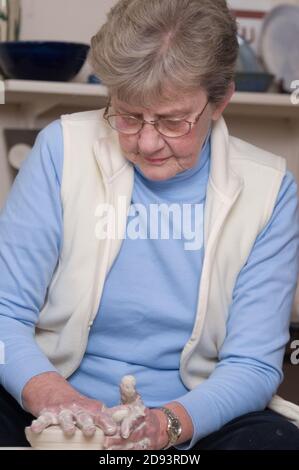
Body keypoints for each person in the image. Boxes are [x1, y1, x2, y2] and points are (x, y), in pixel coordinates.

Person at [0, 0, 299, 450]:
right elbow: (5, 313)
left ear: (220, 101)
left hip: (192, 417)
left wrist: (167, 425)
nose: (147, 141)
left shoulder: (270, 189)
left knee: (274, 443)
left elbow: (253, 365)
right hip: (54, 401)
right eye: (128, 115)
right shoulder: (60, 150)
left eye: (173, 121)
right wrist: (53, 396)